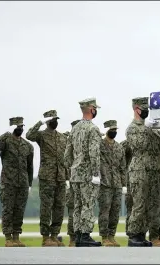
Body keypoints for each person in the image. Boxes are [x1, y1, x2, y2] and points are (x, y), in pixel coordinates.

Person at [125, 97, 160, 247]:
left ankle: (142, 234)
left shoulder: (150, 128)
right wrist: (148, 129)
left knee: (151, 205)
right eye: (143, 108)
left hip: (153, 171)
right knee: (139, 204)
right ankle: (134, 235)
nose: (145, 111)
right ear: (136, 109)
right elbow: (141, 145)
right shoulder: (132, 129)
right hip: (139, 171)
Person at [64, 97, 102, 247]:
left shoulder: (75, 128)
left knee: (78, 205)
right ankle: (85, 234)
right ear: (91, 109)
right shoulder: (93, 129)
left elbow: (67, 154)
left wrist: (71, 169)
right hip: (87, 174)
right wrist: (95, 173)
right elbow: (94, 153)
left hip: (75, 174)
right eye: (95, 109)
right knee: (88, 204)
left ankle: (78, 234)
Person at [26, 110, 67, 247]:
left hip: (60, 177)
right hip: (47, 177)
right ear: (48, 121)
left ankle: (55, 235)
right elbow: (29, 135)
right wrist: (40, 123)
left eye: (56, 119)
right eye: (53, 119)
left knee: (59, 207)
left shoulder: (62, 137)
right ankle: (45, 237)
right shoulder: (42, 136)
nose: (55, 122)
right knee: (46, 207)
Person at [0, 117, 34, 247]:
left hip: (23, 184)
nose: (20, 129)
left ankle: (16, 237)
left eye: (21, 126)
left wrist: (30, 183)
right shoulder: (6, 142)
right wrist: (6, 133)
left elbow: (30, 166)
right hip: (8, 182)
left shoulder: (28, 146)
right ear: (12, 128)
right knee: (8, 210)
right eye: (17, 126)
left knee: (19, 211)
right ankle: (8, 238)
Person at [98, 120, 126, 247]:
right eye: (112, 130)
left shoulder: (119, 147)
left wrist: (123, 183)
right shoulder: (99, 145)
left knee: (115, 211)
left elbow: (122, 167)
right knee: (105, 210)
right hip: (104, 183)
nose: (114, 132)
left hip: (117, 184)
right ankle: (104, 237)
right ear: (106, 130)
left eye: (116, 130)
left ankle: (111, 236)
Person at [64, 120, 81, 247]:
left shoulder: (82, 141)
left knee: (82, 209)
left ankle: (81, 235)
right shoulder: (67, 139)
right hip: (71, 180)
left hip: (82, 180)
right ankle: (72, 238)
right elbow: (66, 160)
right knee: (72, 210)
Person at [120, 140, 132, 237]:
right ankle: (130, 233)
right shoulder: (126, 143)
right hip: (130, 180)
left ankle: (140, 233)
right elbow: (120, 159)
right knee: (131, 208)